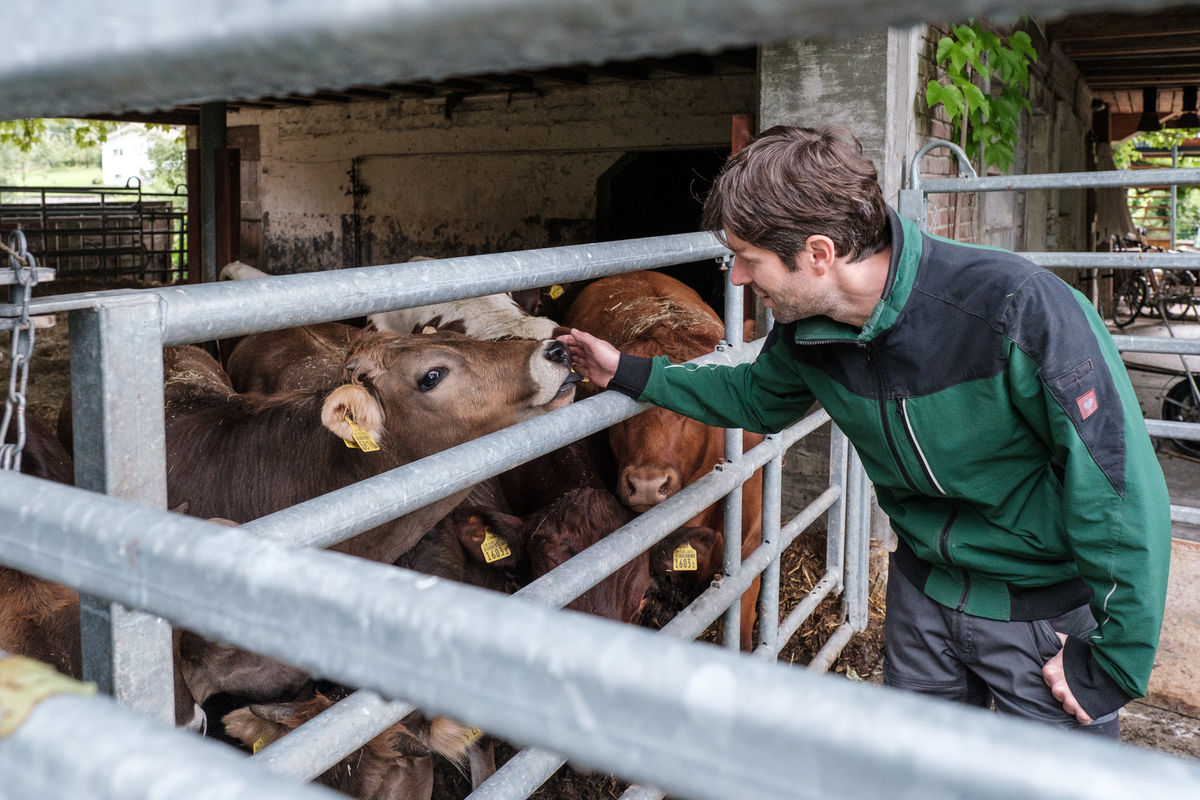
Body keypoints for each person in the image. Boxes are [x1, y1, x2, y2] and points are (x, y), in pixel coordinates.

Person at [560, 125, 1171, 737]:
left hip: (1037, 614)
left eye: (750, 259)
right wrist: (630, 373)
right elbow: (756, 397)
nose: (738, 278)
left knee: (1049, 779)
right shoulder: (807, 329)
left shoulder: (1017, 308)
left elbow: (1119, 485)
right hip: (921, 599)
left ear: (818, 254)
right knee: (917, 774)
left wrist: (1114, 663)